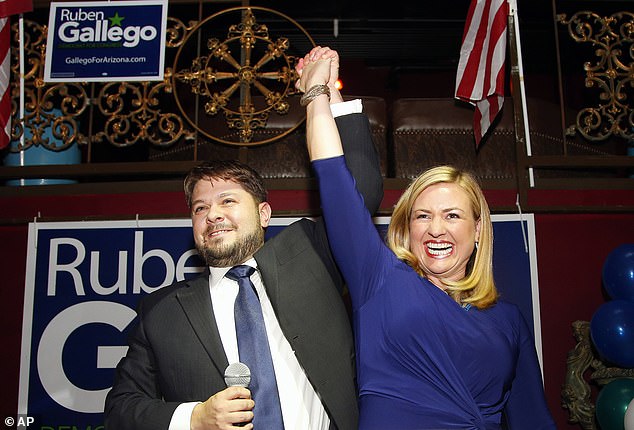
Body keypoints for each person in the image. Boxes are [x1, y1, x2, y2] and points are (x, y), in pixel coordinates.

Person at [104, 47, 383, 430]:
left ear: (264, 214)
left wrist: (325, 95)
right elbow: (121, 410)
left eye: (227, 201)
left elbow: (358, 191)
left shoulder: (310, 253)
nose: (212, 214)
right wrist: (194, 418)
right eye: (200, 208)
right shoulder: (162, 311)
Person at [297, 47, 556, 429]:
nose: (436, 229)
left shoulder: (509, 320)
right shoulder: (380, 279)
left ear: (478, 228)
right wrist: (318, 94)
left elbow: (533, 420)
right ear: (406, 227)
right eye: (423, 216)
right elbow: (334, 177)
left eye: (452, 215)